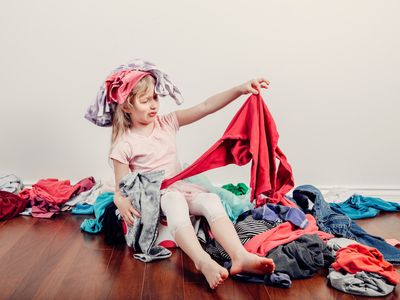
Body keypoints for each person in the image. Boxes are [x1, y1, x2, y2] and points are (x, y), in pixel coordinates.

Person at [109, 70, 275, 289]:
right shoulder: (124, 144)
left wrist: (240, 89)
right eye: (145, 100)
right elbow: (122, 188)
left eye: (155, 98)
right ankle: (203, 262)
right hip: (154, 196)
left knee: (211, 200)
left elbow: (205, 107)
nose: (153, 105)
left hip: (178, 186)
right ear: (127, 106)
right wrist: (119, 201)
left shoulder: (167, 123)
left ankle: (239, 256)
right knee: (175, 201)